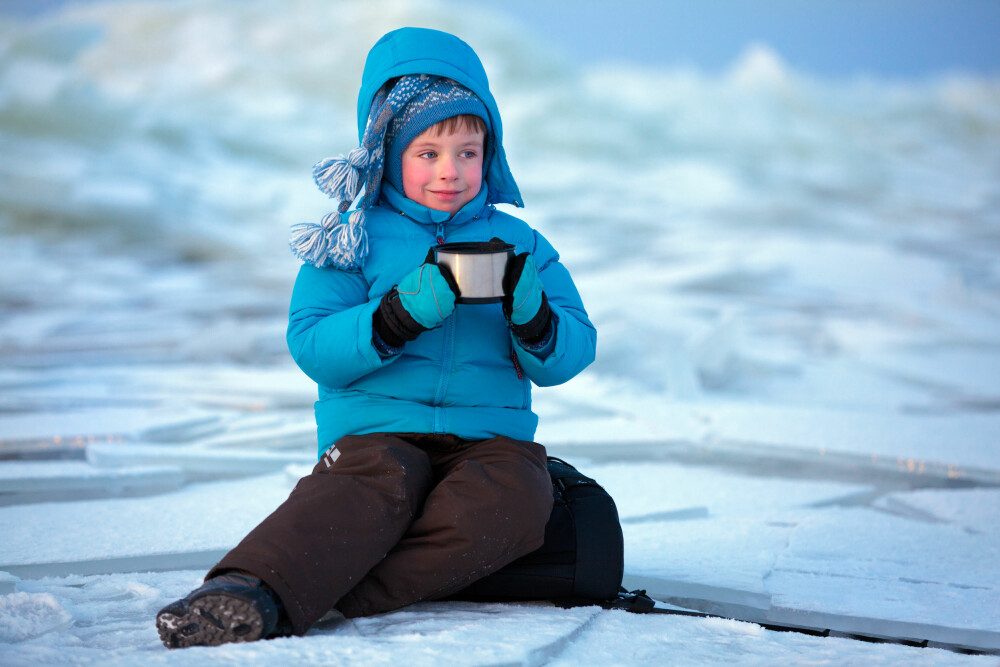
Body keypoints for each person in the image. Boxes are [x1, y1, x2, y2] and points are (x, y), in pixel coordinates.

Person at [155, 26, 596, 649]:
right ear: (388, 151)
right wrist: (395, 316)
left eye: (468, 153)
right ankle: (246, 588)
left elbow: (572, 353)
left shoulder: (523, 244)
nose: (451, 172)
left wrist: (534, 317)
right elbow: (312, 345)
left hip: (489, 437)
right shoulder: (350, 238)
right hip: (376, 429)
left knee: (516, 500)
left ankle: (314, 595)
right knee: (365, 489)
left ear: (490, 154)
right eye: (429, 154)